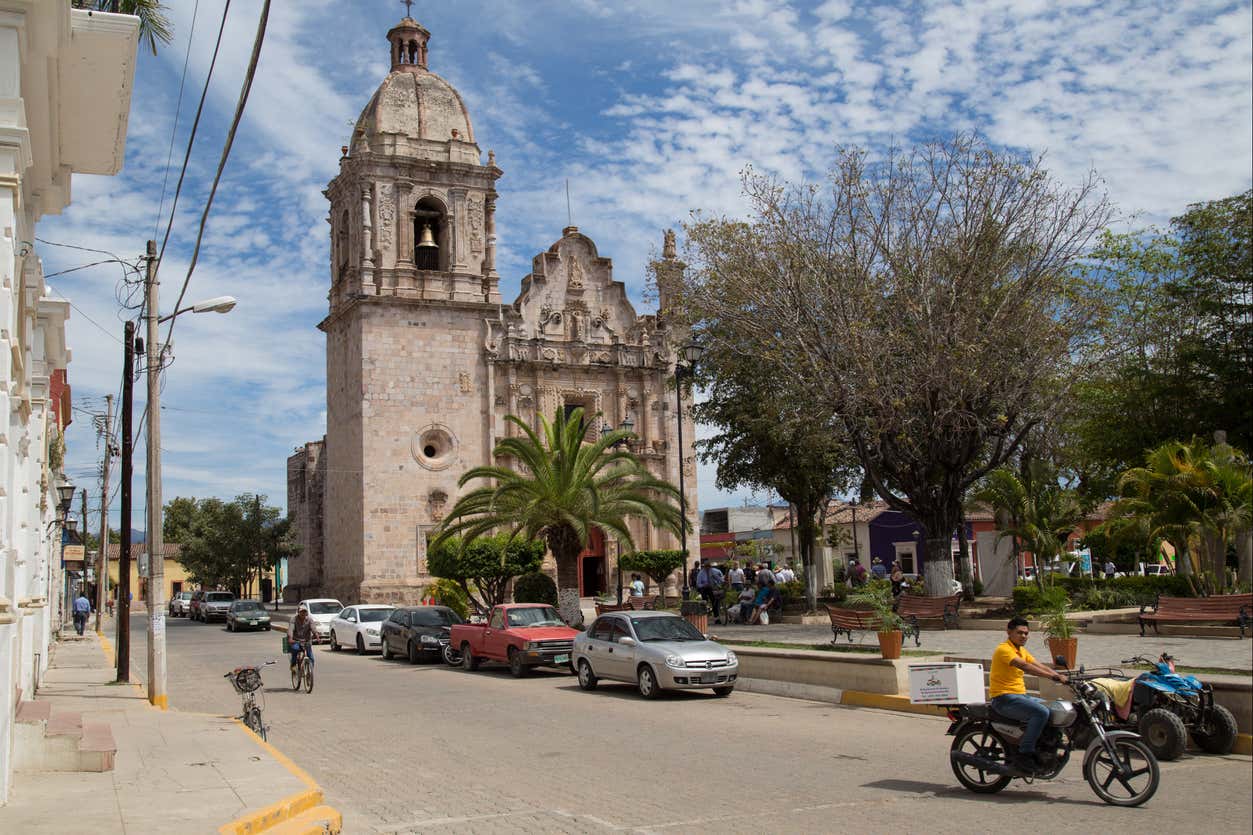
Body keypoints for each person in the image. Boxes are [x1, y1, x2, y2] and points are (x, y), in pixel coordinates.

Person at [990, 616, 1067, 774]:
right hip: (1004, 698)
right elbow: (1025, 666)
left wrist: (1061, 676)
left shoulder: (1021, 650)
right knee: (1041, 712)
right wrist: (1052, 677)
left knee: (1055, 708)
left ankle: (1047, 747)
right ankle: (1024, 754)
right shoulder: (1004, 649)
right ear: (1009, 632)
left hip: (1020, 696)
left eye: (1026, 633)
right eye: (1020, 633)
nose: (1024, 636)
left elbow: (1037, 664)